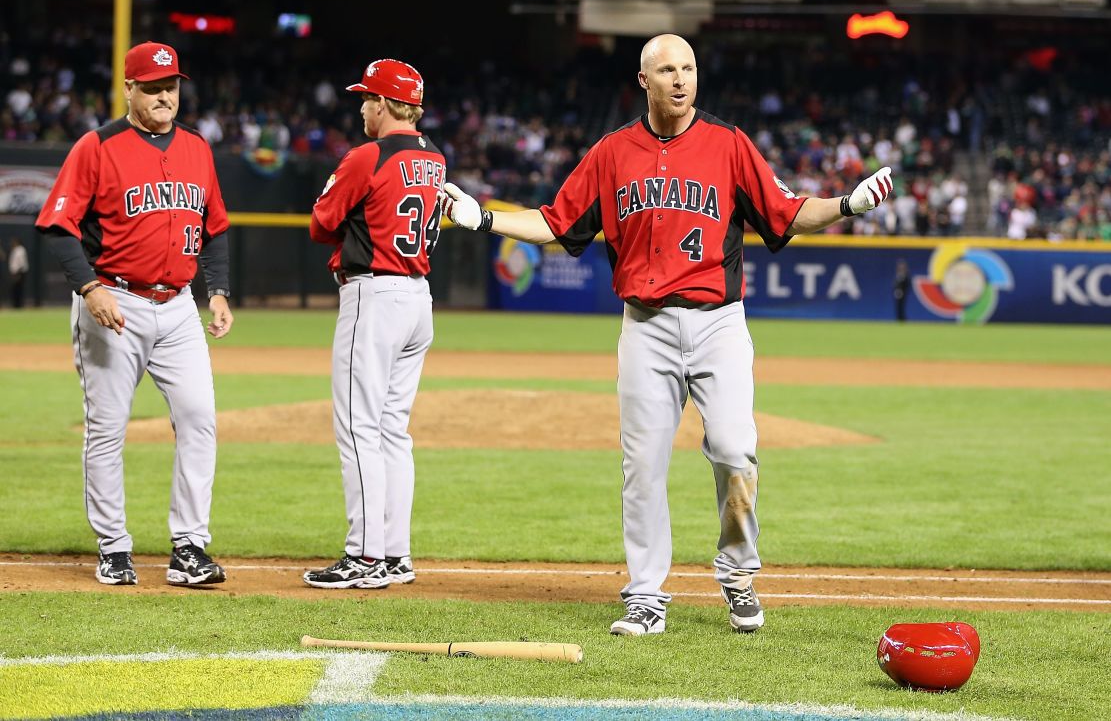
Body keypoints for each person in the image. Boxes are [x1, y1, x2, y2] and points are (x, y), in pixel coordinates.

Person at [442, 34, 893, 635]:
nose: (680, 79)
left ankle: (737, 574)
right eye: (667, 70)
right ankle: (646, 594)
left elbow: (785, 212)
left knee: (736, 449)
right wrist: (487, 216)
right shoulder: (611, 152)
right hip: (646, 329)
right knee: (643, 465)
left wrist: (846, 204)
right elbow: (557, 223)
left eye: (689, 68)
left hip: (718, 325)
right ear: (644, 81)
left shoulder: (729, 145)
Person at [34, 41, 233, 587]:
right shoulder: (96, 147)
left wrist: (218, 291)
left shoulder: (197, 148)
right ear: (128, 88)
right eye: (152, 87)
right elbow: (58, 223)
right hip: (114, 303)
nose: (164, 95)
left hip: (179, 309)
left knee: (199, 419)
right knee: (107, 428)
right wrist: (89, 286)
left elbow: (213, 229)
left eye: (170, 86)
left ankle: (190, 548)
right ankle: (114, 548)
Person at [303, 58, 442, 590]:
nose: (362, 106)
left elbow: (321, 224)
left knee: (359, 429)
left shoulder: (368, 155)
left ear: (384, 103)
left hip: (374, 297)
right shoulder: (435, 157)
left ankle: (363, 556)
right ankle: (395, 554)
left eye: (367, 98)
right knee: (392, 432)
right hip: (417, 299)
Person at [7, 236, 29, 307]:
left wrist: (18, 274)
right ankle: (16, 305)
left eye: (13, 241)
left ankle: (18, 305)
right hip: (15, 273)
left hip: (19, 273)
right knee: (15, 289)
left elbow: (22, 263)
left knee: (18, 289)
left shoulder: (21, 250)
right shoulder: (15, 250)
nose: (12, 243)